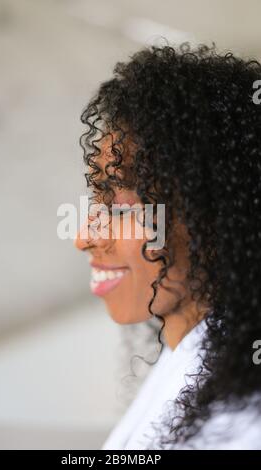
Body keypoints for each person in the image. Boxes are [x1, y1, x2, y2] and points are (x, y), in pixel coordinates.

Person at [74, 42, 261, 449]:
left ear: (216, 216)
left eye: (121, 206)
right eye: (97, 201)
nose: (83, 237)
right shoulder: (192, 356)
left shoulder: (244, 420)